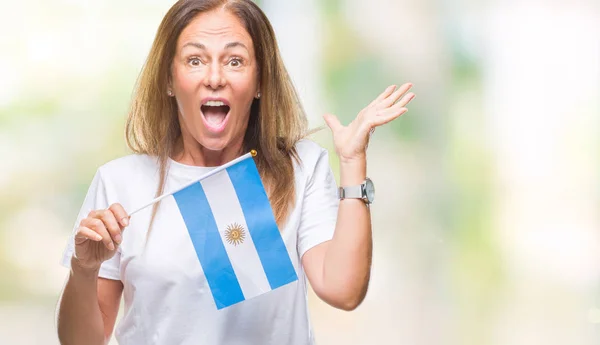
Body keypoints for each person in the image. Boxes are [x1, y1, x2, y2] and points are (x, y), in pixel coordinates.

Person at [55, 0, 415, 344]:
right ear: (169, 79)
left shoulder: (301, 168)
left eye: (235, 61)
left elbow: (343, 290)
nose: (214, 77)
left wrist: (352, 163)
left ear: (259, 82)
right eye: (195, 60)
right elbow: (82, 341)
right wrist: (83, 269)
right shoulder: (121, 182)